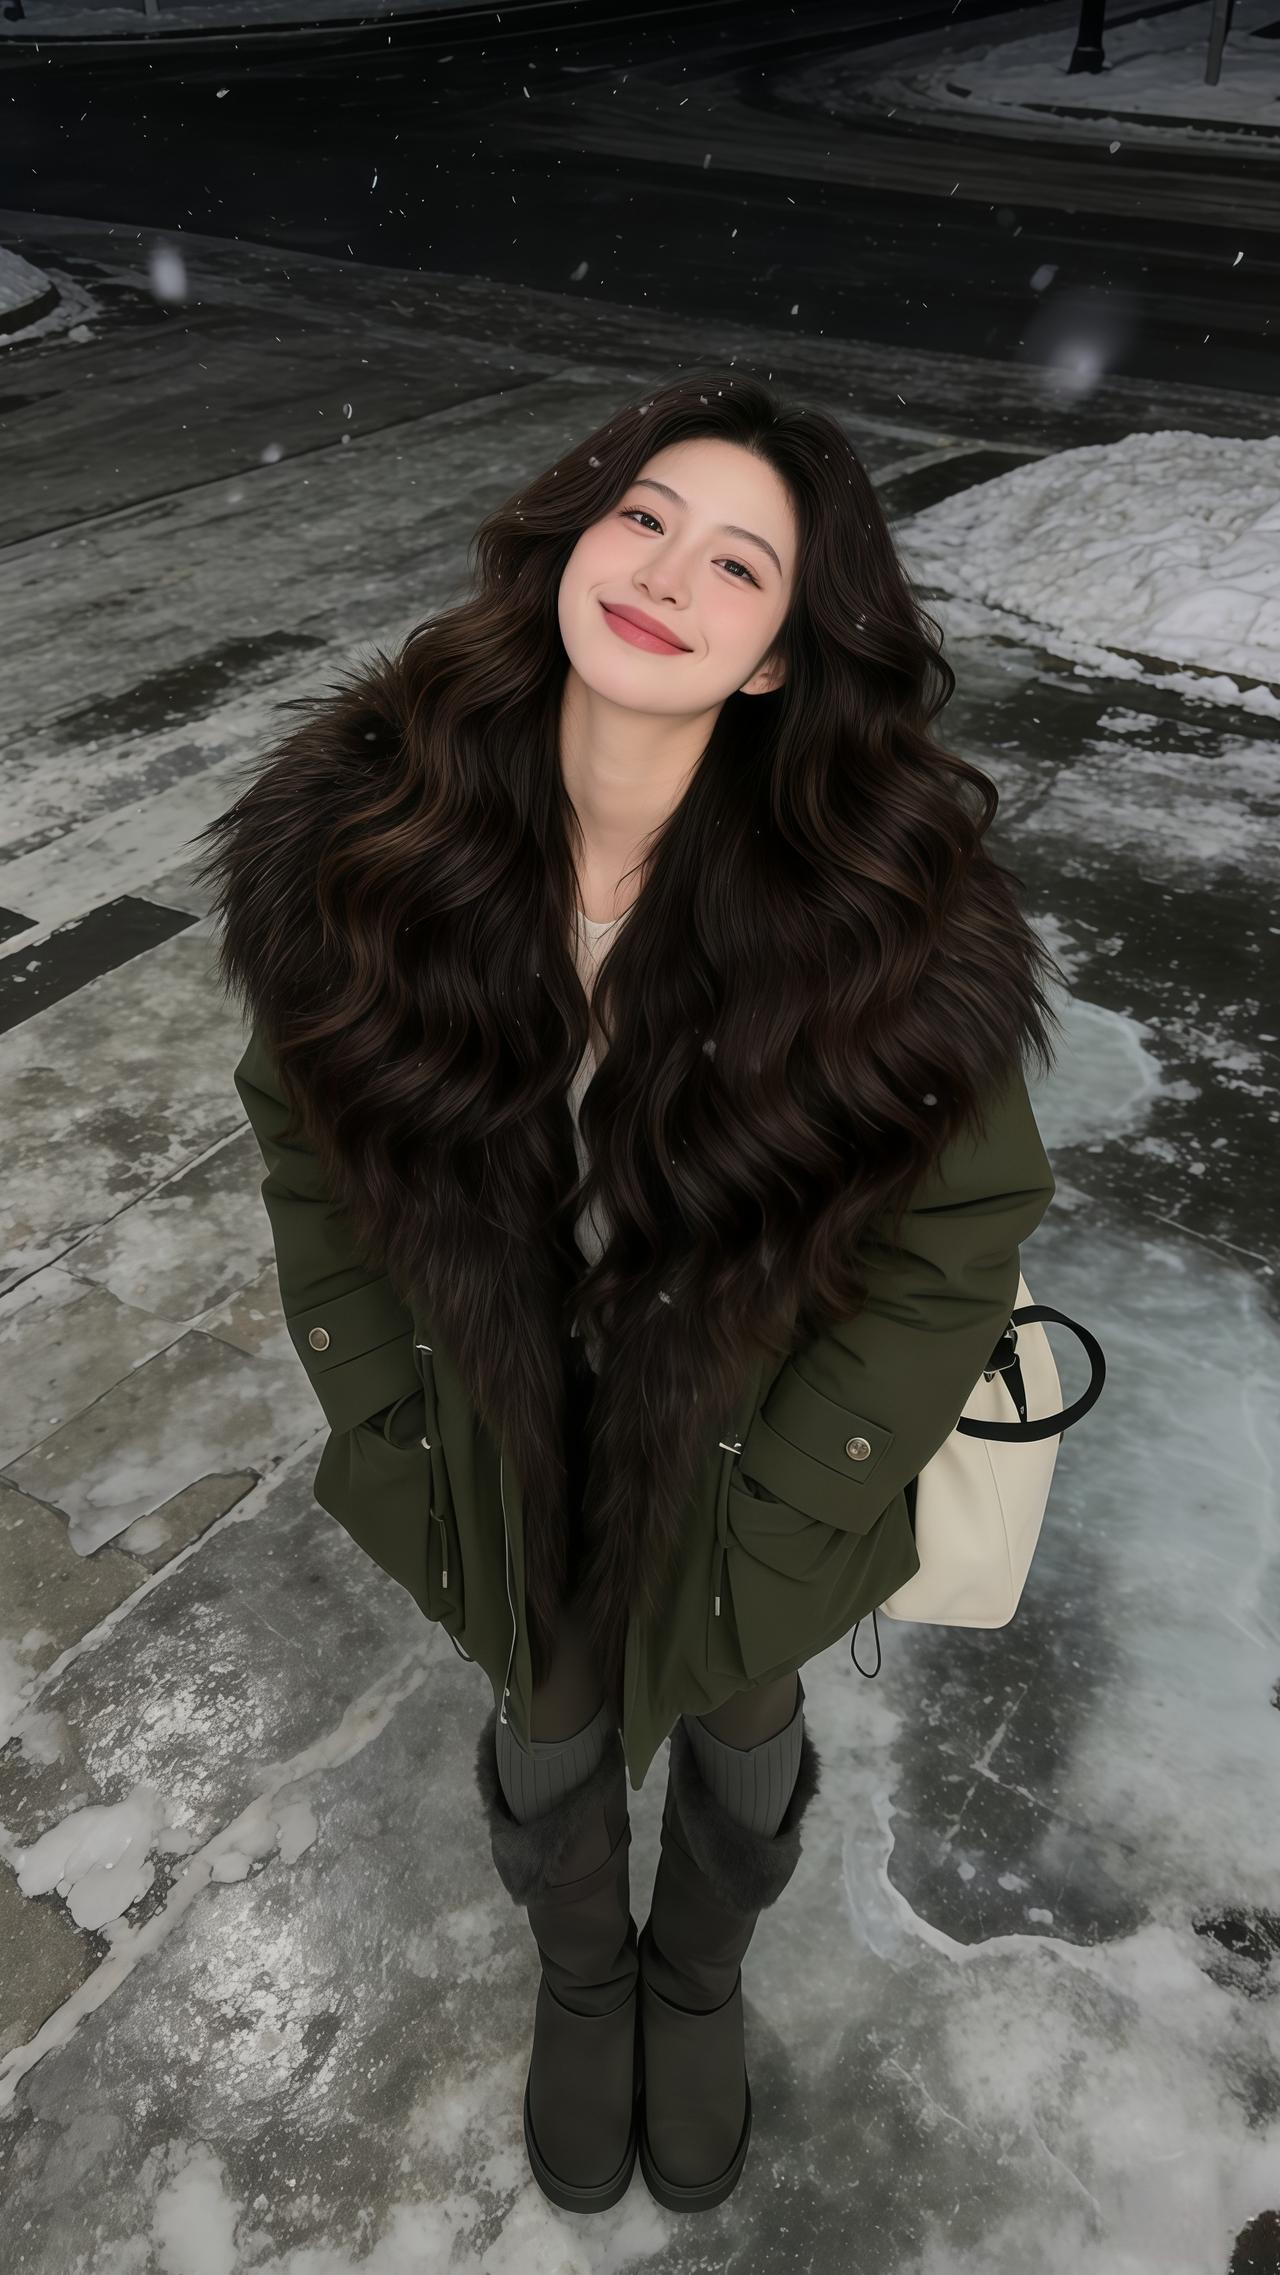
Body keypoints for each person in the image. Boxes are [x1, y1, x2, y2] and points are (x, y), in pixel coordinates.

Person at [194, 365, 1060, 2217]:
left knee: (741, 1713)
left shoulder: (880, 919)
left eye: (739, 565)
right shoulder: (367, 853)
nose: (667, 572)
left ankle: (699, 1974)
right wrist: (392, 1405)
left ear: (776, 658)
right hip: (498, 1416)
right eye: (644, 517)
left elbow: (957, 1233)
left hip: (752, 1421)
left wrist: (803, 1485)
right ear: (570, 541)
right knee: (551, 1705)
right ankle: (585, 1977)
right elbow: (308, 1158)